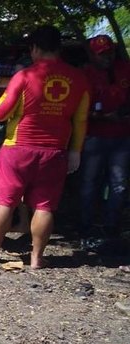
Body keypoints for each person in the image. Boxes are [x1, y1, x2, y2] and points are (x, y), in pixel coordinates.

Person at [0, 25, 90, 269]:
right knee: (45, 205)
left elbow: (0, 112)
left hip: (18, 149)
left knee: (6, 201)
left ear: (35, 48)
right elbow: (80, 120)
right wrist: (75, 151)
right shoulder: (79, 79)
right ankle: (37, 258)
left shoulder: (25, 76)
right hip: (55, 151)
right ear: (59, 48)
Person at [78, 34, 130, 249]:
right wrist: (102, 117)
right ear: (93, 55)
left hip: (123, 136)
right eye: (101, 54)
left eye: (109, 52)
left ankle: (111, 227)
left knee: (119, 185)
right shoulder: (85, 74)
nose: (106, 57)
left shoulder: (125, 69)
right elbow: (79, 110)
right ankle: (85, 227)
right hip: (94, 137)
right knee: (89, 184)